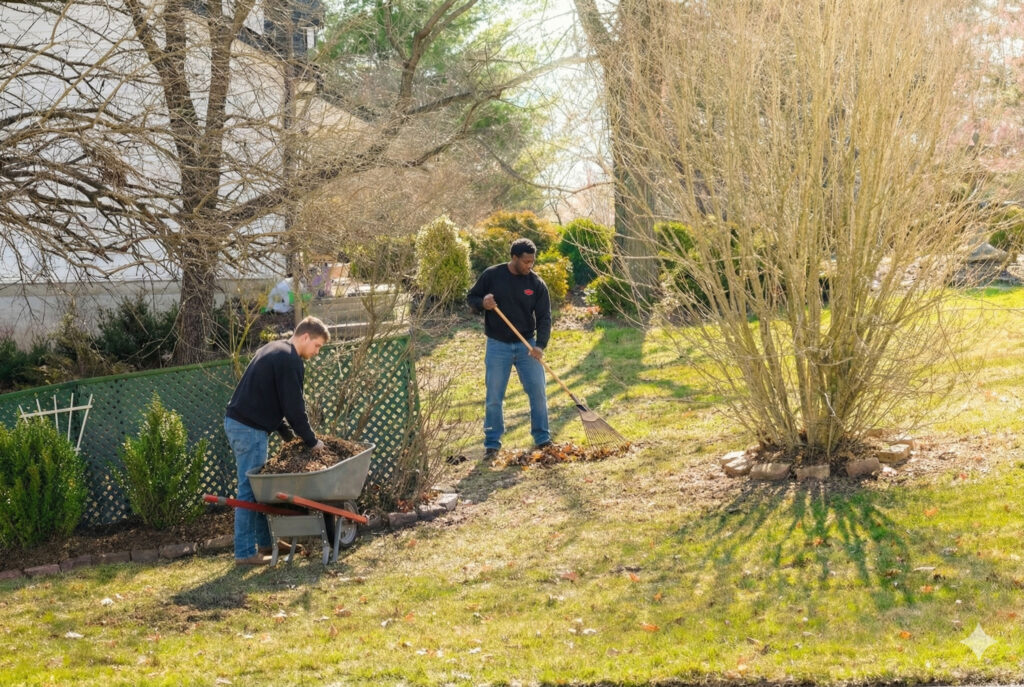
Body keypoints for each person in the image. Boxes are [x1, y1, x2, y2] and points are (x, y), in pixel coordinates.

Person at [224, 316, 330, 565]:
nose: (316, 353)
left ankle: (267, 543)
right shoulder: (289, 359)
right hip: (248, 429)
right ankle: (244, 553)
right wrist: (311, 441)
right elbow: (294, 408)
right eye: (317, 346)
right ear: (305, 337)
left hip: (243, 424)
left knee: (259, 490)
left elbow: (272, 401)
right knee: (248, 490)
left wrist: (288, 437)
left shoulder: (273, 349)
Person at [467, 238, 552, 459]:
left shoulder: (536, 283)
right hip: (497, 345)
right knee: (494, 395)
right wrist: (482, 303)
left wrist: (540, 346)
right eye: (525, 261)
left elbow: (544, 317)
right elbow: (471, 297)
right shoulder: (492, 275)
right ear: (514, 258)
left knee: (538, 392)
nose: (529, 266)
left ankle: (543, 439)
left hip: (527, 345)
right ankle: (492, 444)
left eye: (532, 261)